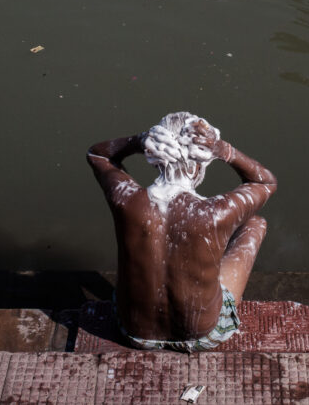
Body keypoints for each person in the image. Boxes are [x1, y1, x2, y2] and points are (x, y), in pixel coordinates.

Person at [86, 112, 277, 352]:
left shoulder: (126, 200)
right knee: (254, 224)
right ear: (202, 162)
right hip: (202, 336)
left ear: (154, 156)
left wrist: (139, 140)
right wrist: (223, 150)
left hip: (134, 333)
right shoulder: (216, 213)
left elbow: (97, 154)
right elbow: (265, 182)